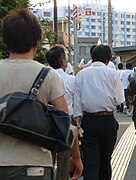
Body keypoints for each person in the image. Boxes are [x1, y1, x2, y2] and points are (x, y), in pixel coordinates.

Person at [0, 8, 83, 179]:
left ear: (5, 41)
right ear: (38, 41)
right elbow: (65, 124)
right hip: (35, 166)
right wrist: (76, 157)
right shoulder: (49, 75)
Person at [74, 44, 125, 180]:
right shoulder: (113, 74)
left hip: (88, 122)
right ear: (108, 59)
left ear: (92, 57)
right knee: (105, 160)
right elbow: (120, 100)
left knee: (91, 162)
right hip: (108, 121)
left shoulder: (81, 74)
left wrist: (77, 125)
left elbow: (77, 104)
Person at [46, 45, 76, 180]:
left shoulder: (43, 78)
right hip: (65, 125)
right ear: (63, 61)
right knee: (63, 163)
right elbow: (77, 106)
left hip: (46, 125)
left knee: (47, 162)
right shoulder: (71, 80)